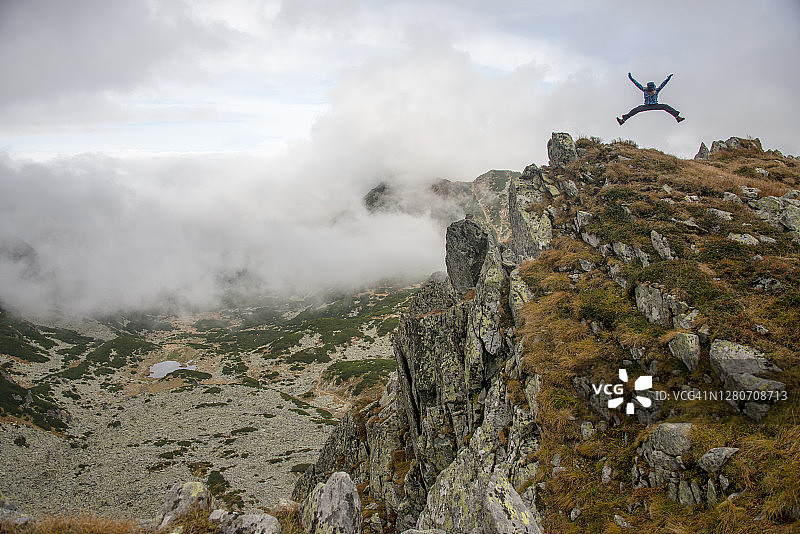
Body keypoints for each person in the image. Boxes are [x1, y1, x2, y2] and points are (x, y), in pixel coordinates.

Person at [617, 72, 684, 125]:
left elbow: (663, 84)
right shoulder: (648, 90)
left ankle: (677, 117)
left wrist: (668, 79)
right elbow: (636, 83)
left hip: (653, 105)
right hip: (647, 106)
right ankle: (623, 120)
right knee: (635, 110)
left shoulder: (653, 90)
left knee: (666, 106)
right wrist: (631, 78)